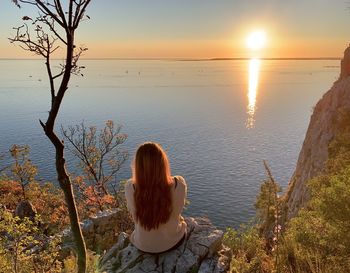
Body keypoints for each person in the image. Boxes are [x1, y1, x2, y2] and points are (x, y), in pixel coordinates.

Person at [125, 142, 187, 253]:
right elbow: (178, 209)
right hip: (171, 242)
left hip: (142, 245)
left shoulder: (131, 187)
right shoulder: (179, 184)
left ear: (138, 165)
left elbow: (133, 213)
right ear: (163, 162)